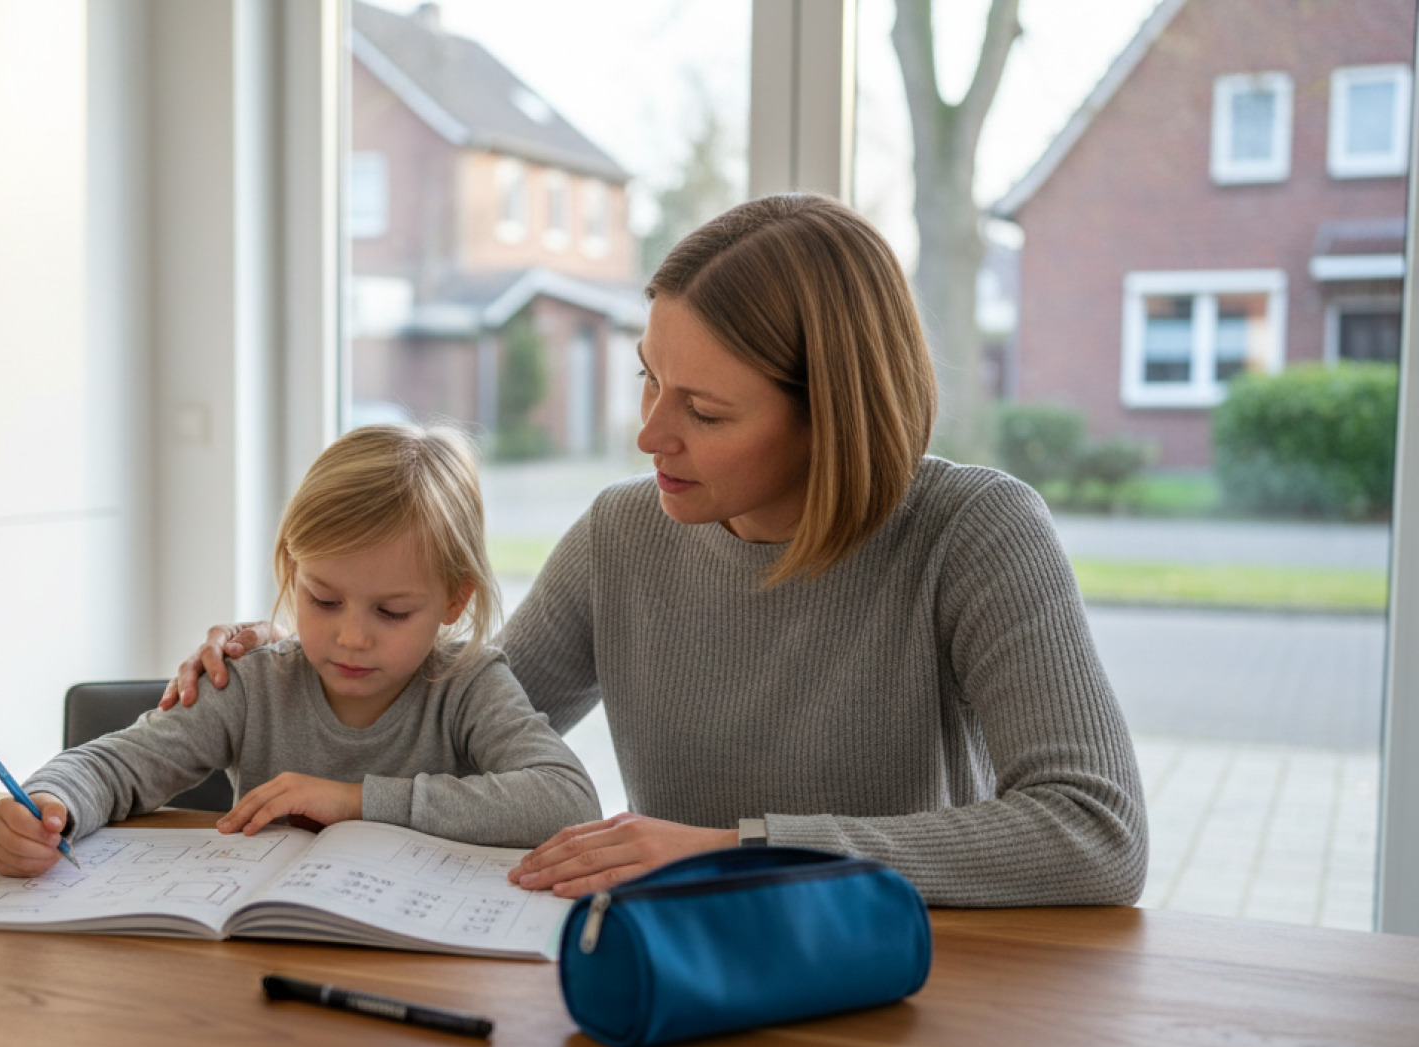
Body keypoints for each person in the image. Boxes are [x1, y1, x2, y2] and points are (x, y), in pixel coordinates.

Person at [161, 194, 1148, 908]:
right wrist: (292, 658)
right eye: (647, 382)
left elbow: (1093, 835)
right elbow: (444, 727)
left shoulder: (973, 531)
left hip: (891, 980)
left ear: (831, 420)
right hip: (672, 971)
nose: (648, 435)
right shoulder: (621, 535)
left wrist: (731, 852)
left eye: (703, 410)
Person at [0, 423, 600, 877]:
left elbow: (565, 799)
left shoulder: (469, 685)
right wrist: (49, 803)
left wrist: (355, 802)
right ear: (293, 572)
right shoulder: (253, 685)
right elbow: (113, 765)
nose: (352, 637)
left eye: (392, 612)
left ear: (454, 601)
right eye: (324, 600)